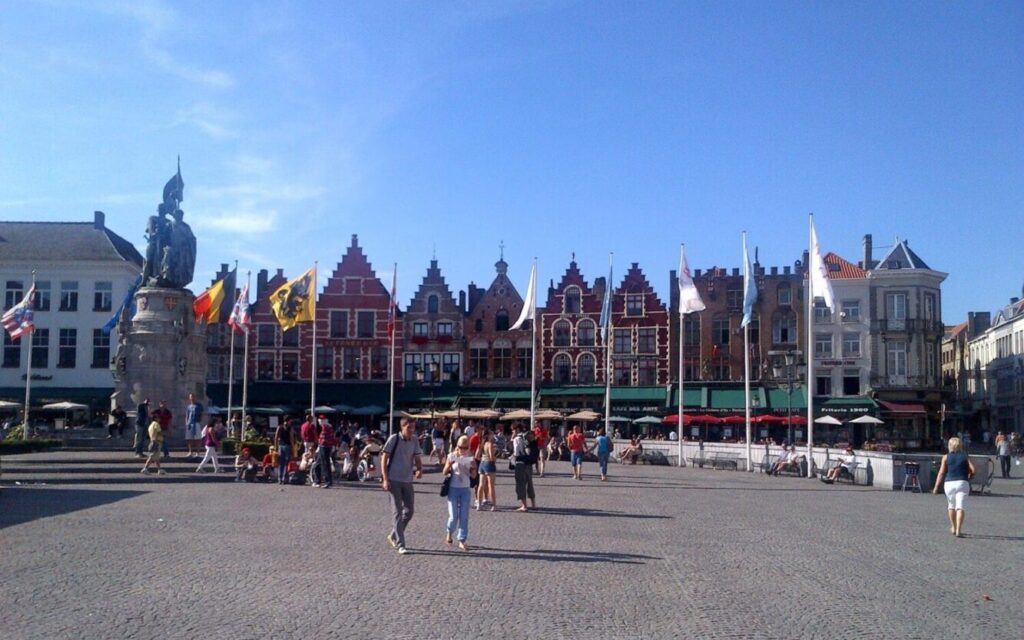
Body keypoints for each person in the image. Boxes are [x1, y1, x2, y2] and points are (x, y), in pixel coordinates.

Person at [381, 418, 423, 555]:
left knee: (409, 511)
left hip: (407, 480)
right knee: (397, 512)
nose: (411, 430)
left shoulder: (415, 440)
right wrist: (385, 479)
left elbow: (417, 458)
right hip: (394, 480)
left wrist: (419, 469)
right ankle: (401, 544)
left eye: (413, 428)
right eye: (409, 428)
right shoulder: (394, 439)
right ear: (402, 427)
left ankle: (393, 534)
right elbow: (384, 458)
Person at [932, 436, 976, 537]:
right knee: (960, 507)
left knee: (951, 506)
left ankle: (953, 527)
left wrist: (936, 487)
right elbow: (973, 469)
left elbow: (941, 473)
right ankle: (958, 531)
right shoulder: (965, 456)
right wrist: (970, 476)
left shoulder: (946, 457)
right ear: (960, 445)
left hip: (949, 483)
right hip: (962, 482)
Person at [443, 435, 478, 551]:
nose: (462, 449)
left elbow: (474, 476)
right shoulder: (451, 456)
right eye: (460, 447)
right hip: (453, 487)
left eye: (465, 447)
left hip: (465, 488)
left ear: (468, 447)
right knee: (453, 516)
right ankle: (449, 531)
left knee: (464, 516)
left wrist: (473, 468)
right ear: (457, 446)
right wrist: (449, 464)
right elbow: (444, 472)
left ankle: (462, 540)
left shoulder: (470, 458)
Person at [511, 424, 536, 512]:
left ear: (517, 429)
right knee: (529, 482)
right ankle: (533, 504)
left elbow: (516, 452)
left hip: (520, 463)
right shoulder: (526, 437)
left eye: (513, 430)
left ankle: (524, 505)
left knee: (521, 484)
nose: (512, 432)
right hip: (528, 463)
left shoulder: (517, 439)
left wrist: (512, 458)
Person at [475, 428, 498, 511]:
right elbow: (492, 457)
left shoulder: (481, 443)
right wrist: (495, 457)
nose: (493, 435)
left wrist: (482, 458)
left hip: (482, 463)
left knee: (481, 485)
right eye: (491, 433)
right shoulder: (490, 444)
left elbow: (476, 456)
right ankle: (494, 505)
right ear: (488, 435)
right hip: (489, 464)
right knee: (491, 486)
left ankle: (479, 504)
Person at [314, 419, 339, 489]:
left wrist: (319, 445)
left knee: (324, 464)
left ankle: (326, 481)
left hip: (324, 447)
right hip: (326, 447)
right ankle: (319, 480)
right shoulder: (329, 428)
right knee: (320, 464)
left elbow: (323, 439)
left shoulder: (325, 428)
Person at [183, 393, 204, 459]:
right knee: (189, 438)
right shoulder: (189, 406)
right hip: (189, 423)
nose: (192, 398)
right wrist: (186, 422)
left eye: (193, 397)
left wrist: (200, 421)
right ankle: (190, 452)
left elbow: (202, 414)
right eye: (191, 397)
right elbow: (187, 415)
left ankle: (198, 452)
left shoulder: (199, 405)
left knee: (198, 438)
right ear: (189, 398)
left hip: (196, 422)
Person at [274, 419, 292, 485]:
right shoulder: (290, 428)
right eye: (290, 421)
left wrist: (276, 446)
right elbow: (291, 438)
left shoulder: (279, 427)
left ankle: (280, 479)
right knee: (287, 463)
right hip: (288, 446)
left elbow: (276, 437)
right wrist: (293, 448)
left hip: (281, 446)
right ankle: (285, 478)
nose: (291, 422)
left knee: (281, 463)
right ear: (288, 420)